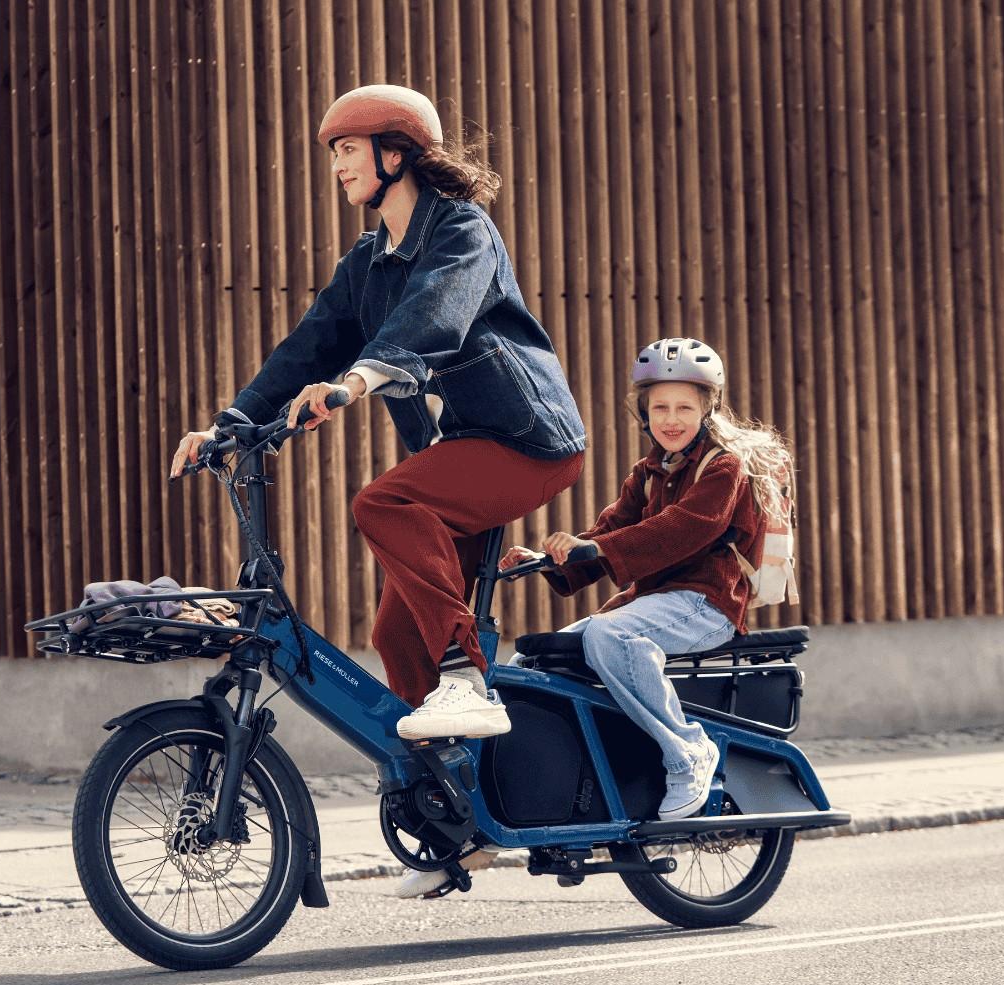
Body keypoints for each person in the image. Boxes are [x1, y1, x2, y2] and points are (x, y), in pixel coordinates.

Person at [170, 84, 586, 739]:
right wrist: (227, 426)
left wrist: (356, 383)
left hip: (527, 439)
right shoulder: (366, 262)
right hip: (458, 453)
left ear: (397, 152)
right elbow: (307, 347)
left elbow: (436, 313)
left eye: (348, 148)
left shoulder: (462, 229)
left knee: (384, 504)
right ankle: (459, 806)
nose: (337, 165)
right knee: (395, 632)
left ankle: (465, 681)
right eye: (335, 153)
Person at [396, 337, 793, 898]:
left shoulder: (722, 467)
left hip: (707, 604)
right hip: (651, 607)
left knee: (611, 635)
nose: (671, 420)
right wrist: (553, 557)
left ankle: (687, 751)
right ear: (644, 412)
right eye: (660, 408)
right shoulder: (648, 471)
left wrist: (597, 552)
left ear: (708, 407)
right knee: (537, 662)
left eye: (684, 407)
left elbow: (686, 529)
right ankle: (494, 821)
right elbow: (611, 530)